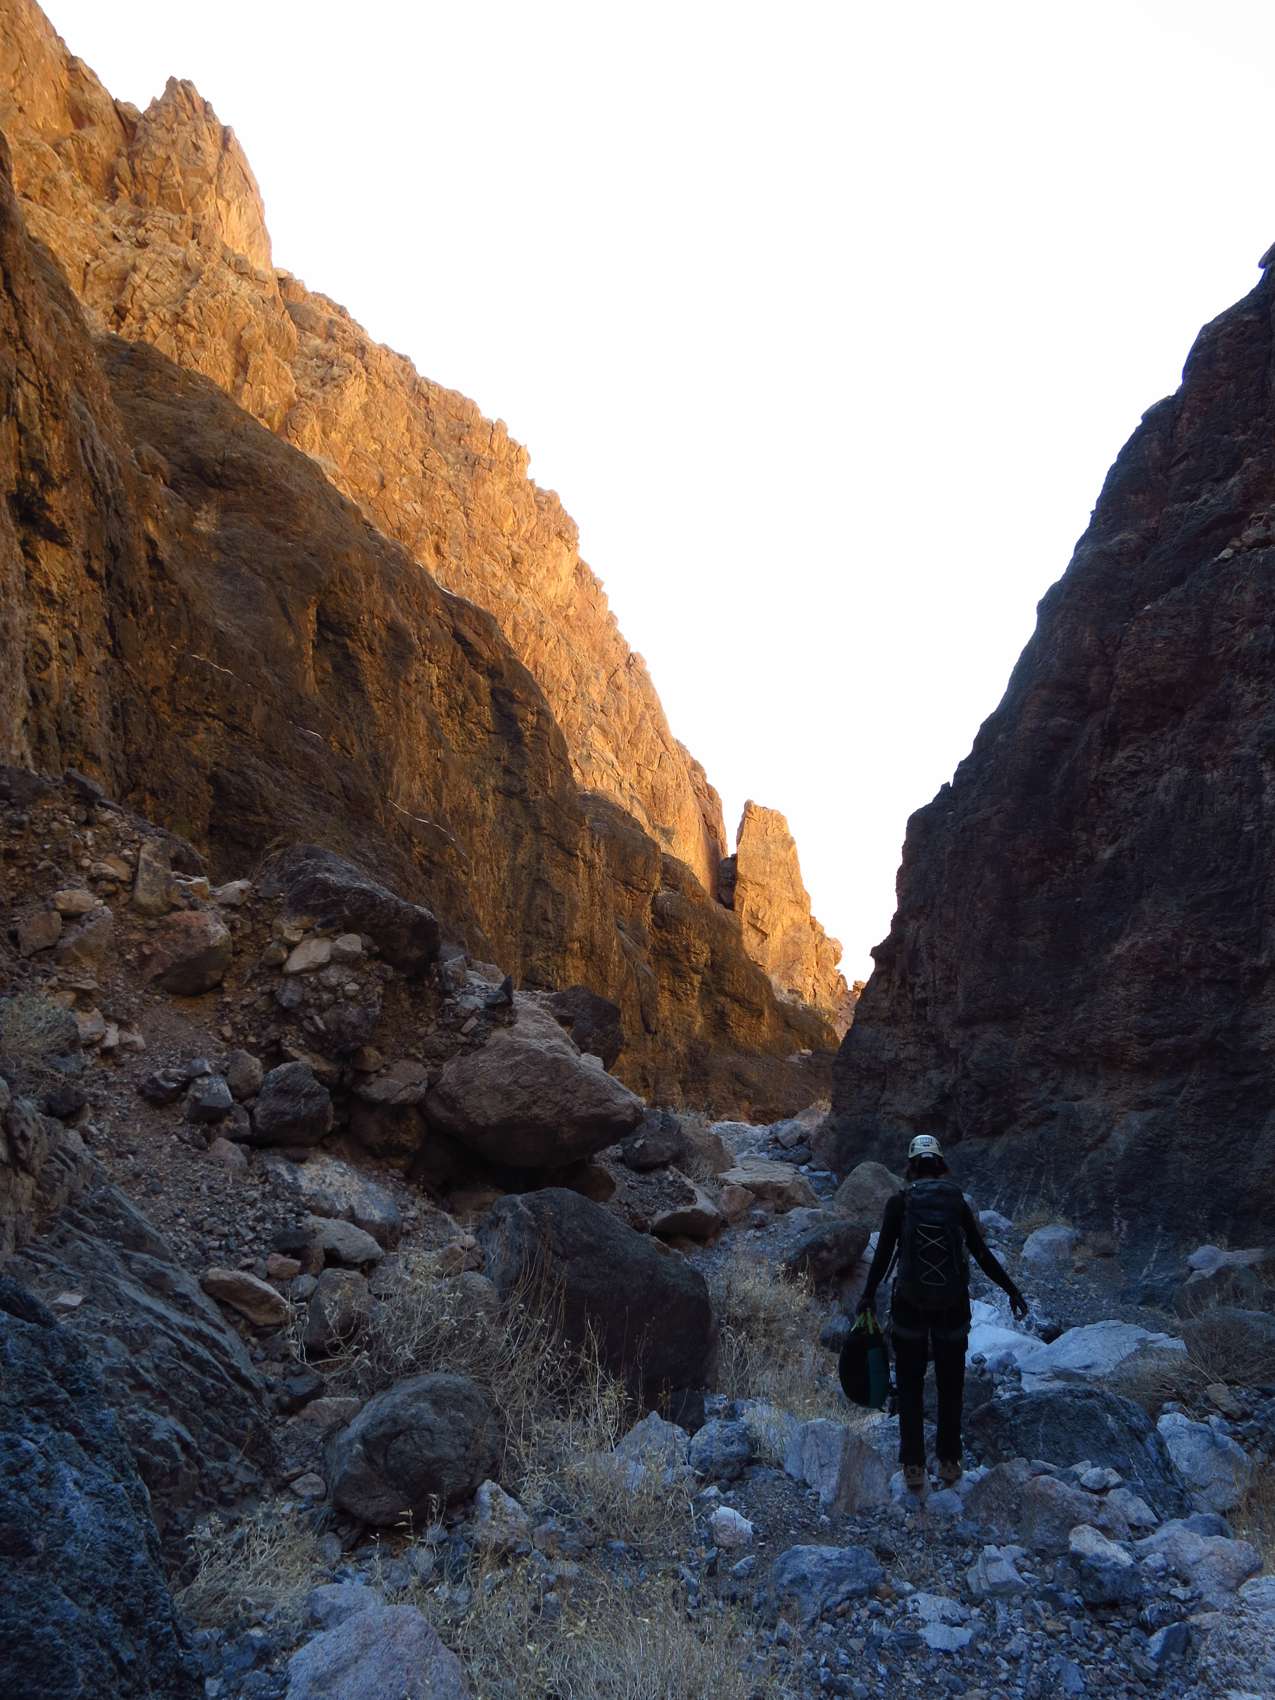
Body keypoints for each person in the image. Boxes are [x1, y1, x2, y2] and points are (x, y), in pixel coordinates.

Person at [856, 1133, 1028, 1492]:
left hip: (909, 1306)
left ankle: (913, 1465)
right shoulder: (956, 1202)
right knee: (952, 1385)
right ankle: (950, 1461)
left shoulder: (899, 1202)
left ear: (911, 1166)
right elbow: (981, 1253)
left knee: (909, 1385)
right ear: (941, 1165)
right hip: (953, 1307)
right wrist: (1011, 1289)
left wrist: (868, 1296)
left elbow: (883, 1255)